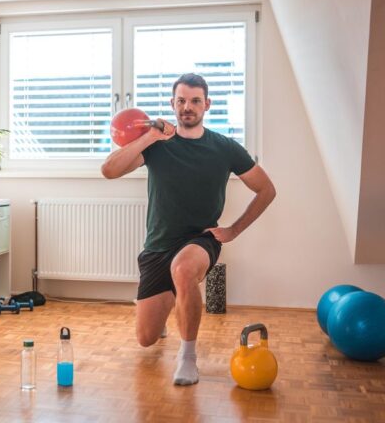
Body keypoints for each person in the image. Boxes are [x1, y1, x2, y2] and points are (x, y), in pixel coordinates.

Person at [101, 73, 276, 385]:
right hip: (158, 244)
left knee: (183, 270)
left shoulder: (225, 148)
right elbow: (109, 171)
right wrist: (149, 137)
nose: (187, 107)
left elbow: (266, 190)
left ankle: (187, 356)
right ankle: (169, 308)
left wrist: (233, 230)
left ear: (207, 104)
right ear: (172, 104)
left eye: (195, 101)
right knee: (145, 338)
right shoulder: (156, 146)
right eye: (181, 100)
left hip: (200, 239)